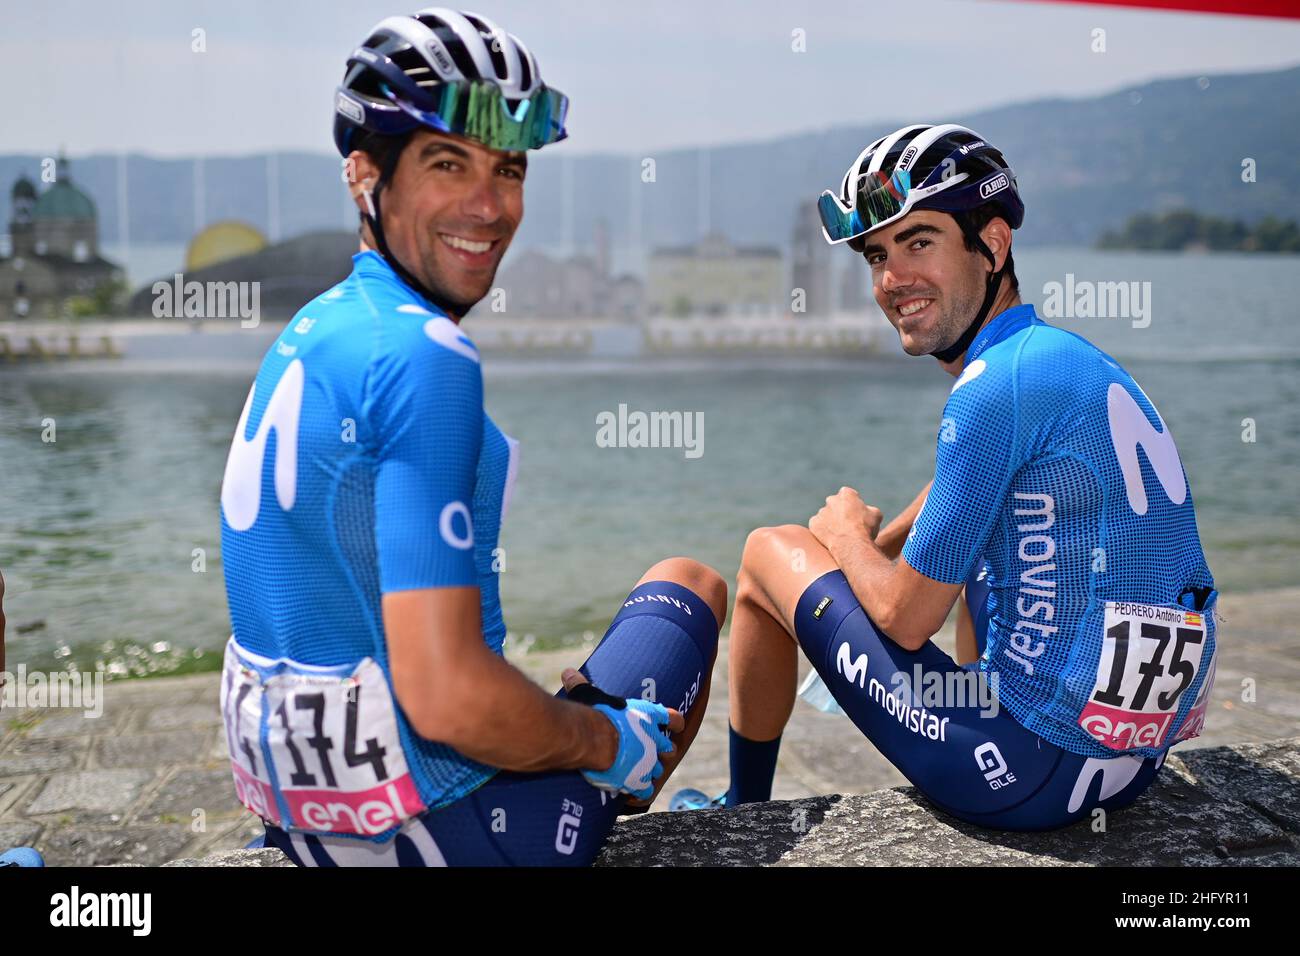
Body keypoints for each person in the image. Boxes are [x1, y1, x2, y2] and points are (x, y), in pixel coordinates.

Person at [218, 8, 726, 866]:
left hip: (306, 828)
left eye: (509, 168)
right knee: (692, 584)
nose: (488, 207)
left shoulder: (321, 324)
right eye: (447, 164)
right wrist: (607, 742)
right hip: (449, 836)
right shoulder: (427, 355)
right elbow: (449, 698)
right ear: (364, 172)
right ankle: (652, 792)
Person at [678, 124, 1218, 830]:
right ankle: (989, 695)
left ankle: (741, 808)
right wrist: (889, 539)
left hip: (1023, 776)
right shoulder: (1058, 359)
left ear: (992, 245)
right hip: (1126, 765)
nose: (891, 279)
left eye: (920, 242)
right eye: (878, 255)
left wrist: (844, 540)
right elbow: (972, 489)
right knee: (991, 546)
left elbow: (905, 620)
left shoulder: (989, 388)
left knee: (763, 555)